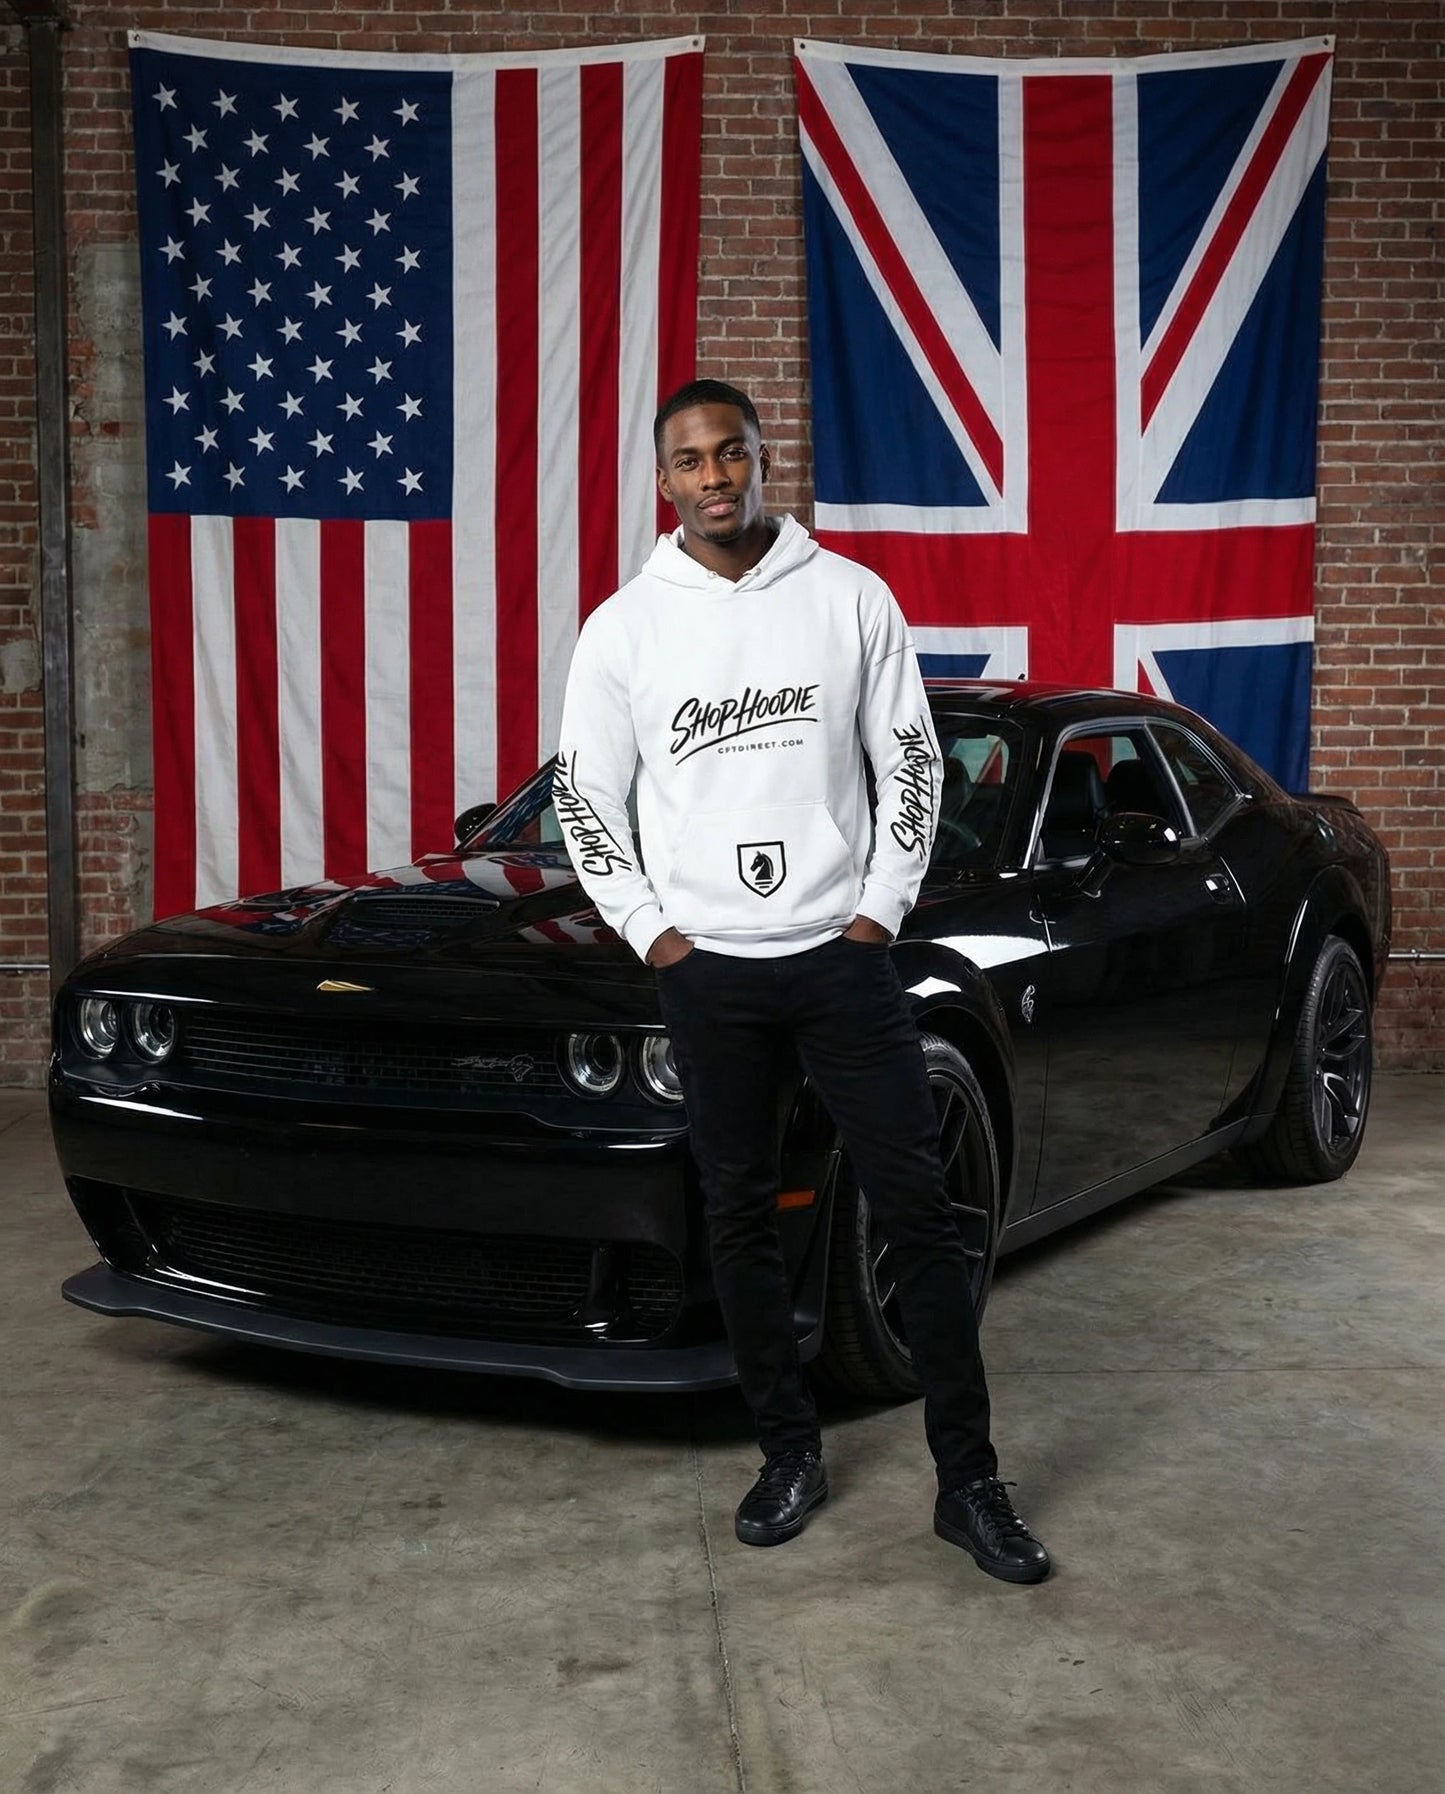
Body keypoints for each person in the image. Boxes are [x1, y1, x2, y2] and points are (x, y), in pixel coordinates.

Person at [554, 379, 1050, 1583]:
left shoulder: (848, 599)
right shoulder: (625, 627)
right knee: (737, 1223)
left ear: (761, 460)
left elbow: (913, 762)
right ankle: (788, 1455)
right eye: (687, 461)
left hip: (841, 962)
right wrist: (655, 936)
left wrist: (875, 915)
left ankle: (967, 1484)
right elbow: (583, 792)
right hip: (707, 974)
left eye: (730, 453)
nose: (712, 476)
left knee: (921, 1218)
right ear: (662, 481)